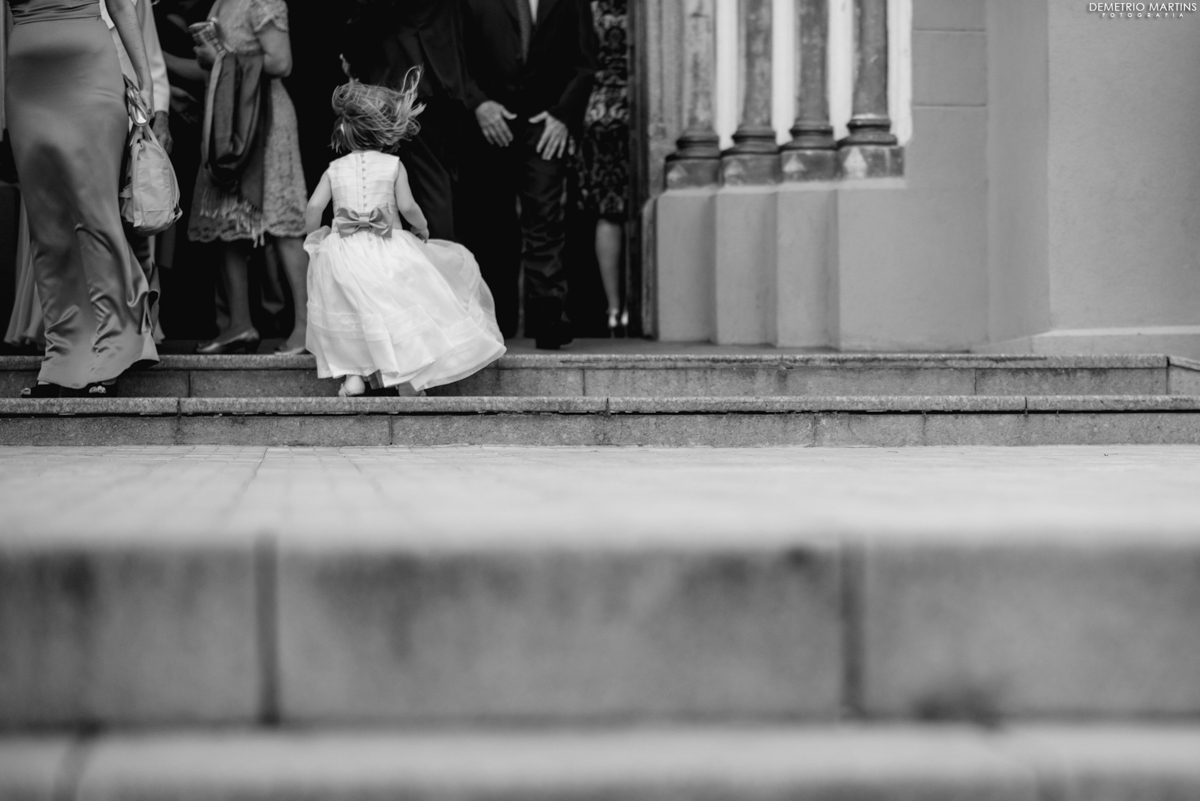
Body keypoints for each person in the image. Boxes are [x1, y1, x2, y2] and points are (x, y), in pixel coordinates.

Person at [303, 81, 505, 397]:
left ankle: (354, 377)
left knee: (353, 312)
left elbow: (314, 207)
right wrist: (422, 228)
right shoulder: (394, 166)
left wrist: (316, 237)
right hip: (388, 247)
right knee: (398, 308)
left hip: (343, 251)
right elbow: (409, 207)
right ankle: (407, 378)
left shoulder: (334, 169)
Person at [4, 0, 159, 396]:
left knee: (95, 215)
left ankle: (114, 346)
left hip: (89, 72)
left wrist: (146, 82)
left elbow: (121, 5)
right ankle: (63, 356)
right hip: (27, 82)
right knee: (48, 228)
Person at [459, 0, 598, 349]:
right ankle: (494, 321)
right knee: (491, 224)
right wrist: (478, 104)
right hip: (489, 126)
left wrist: (564, 116)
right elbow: (454, 54)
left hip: (545, 125)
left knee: (545, 221)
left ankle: (549, 319)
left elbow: (585, 62)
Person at [189, 0, 309, 355]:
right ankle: (239, 325)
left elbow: (281, 62)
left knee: (282, 220)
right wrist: (157, 62)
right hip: (228, 118)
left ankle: (307, 328)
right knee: (226, 219)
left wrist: (220, 58)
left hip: (264, 121)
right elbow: (216, 66)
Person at [341, 0, 475, 241]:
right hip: (444, 75)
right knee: (440, 182)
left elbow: (373, 9)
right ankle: (443, 256)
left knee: (424, 187)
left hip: (405, 77)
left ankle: (437, 259)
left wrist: (351, 55)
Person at [576, 0, 630, 336]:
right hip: (629, 108)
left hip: (597, 112)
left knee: (608, 212)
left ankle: (614, 309)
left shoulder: (588, 6)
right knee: (619, 211)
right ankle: (622, 308)